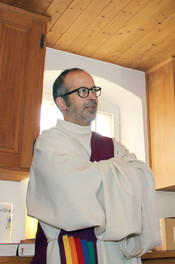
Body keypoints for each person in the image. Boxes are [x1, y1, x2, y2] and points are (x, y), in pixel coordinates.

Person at [27, 68, 161, 263]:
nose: (92, 97)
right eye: (82, 91)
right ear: (61, 102)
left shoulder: (112, 145)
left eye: (93, 90)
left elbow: (143, 175)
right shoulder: (49, 143)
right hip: (70, 251)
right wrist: (118, 177)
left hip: (115, 254)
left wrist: (97, 179)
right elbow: (71, 191)